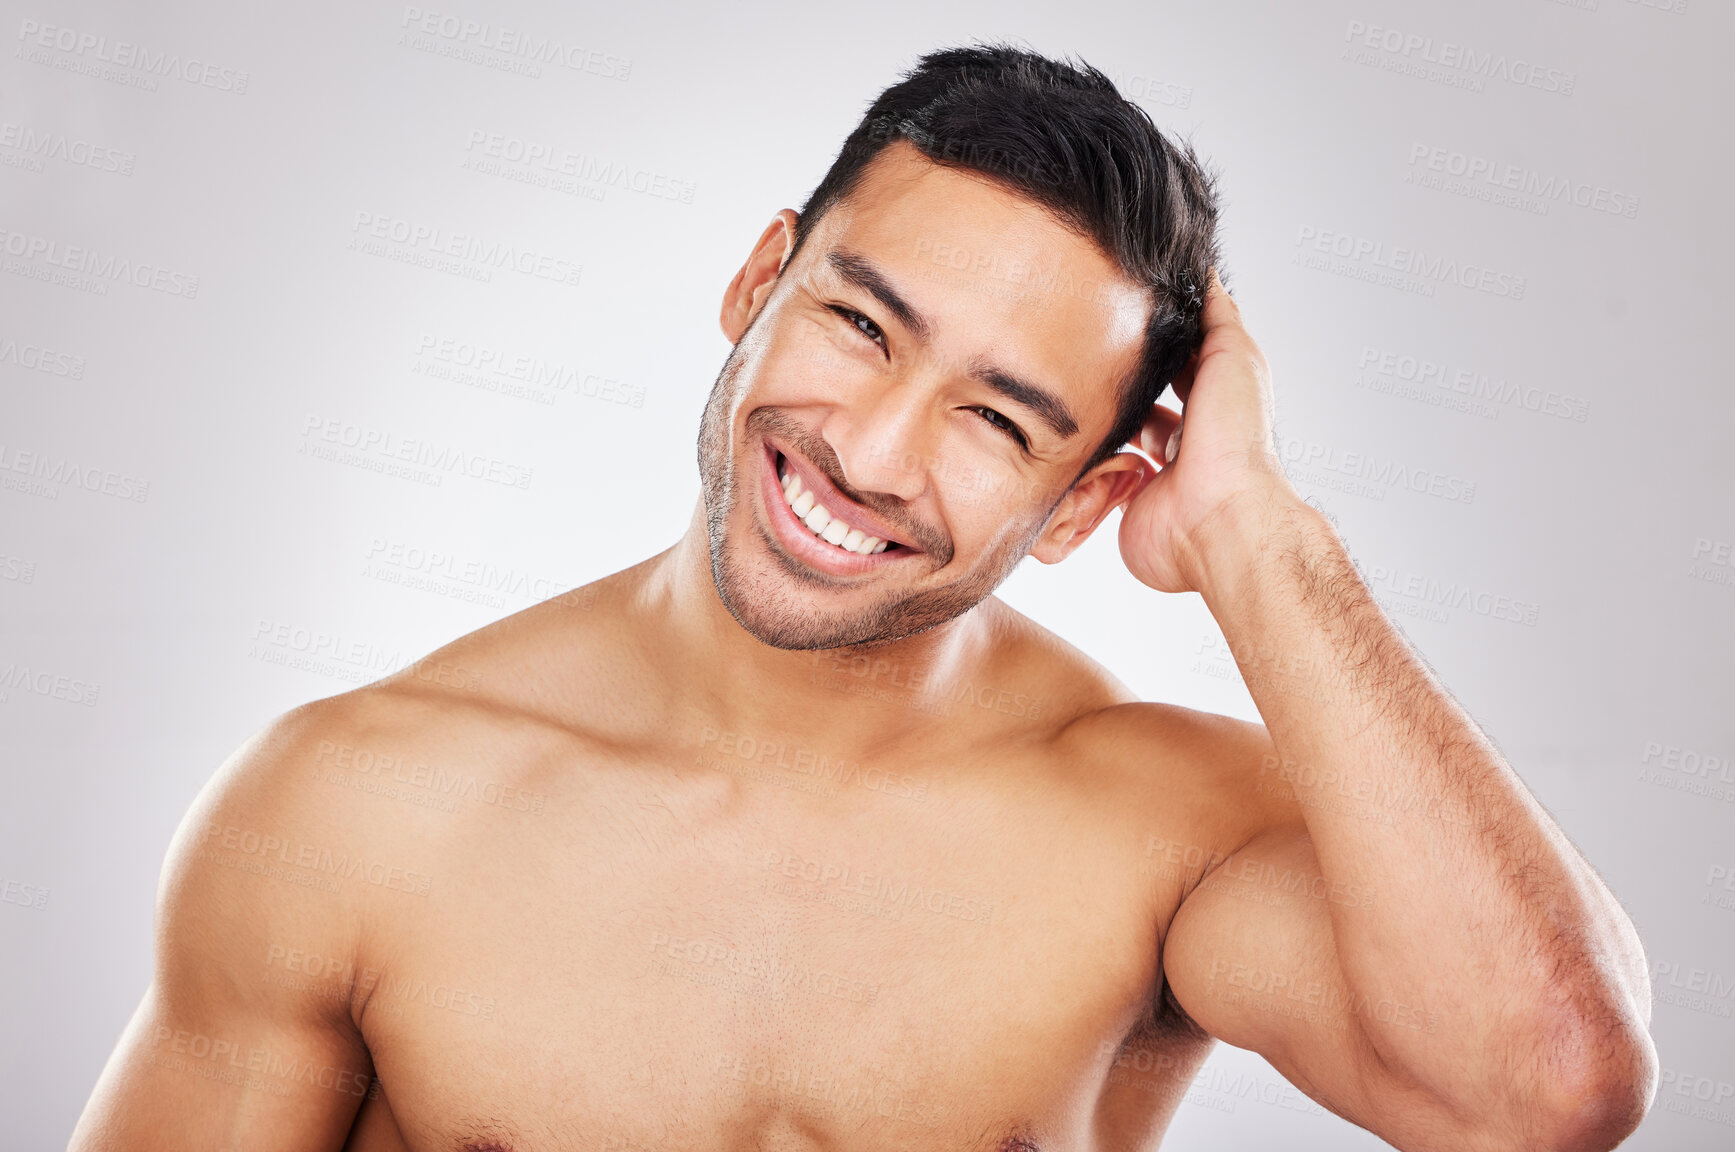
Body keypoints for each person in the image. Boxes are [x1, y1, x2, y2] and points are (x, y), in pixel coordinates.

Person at [71, 44, 1655, 1152]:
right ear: (760, 283)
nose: (873, 452)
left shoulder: (1166, 833)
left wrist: (1256, 534)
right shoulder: (356, 804)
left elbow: (1542, 1096)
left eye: (1000, 417)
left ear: (1089, 500)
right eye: (860, 323)